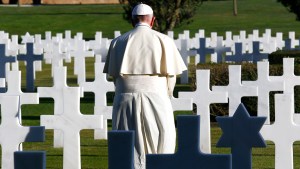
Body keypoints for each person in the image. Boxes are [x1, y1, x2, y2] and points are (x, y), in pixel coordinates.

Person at [103, 3, 187, 169]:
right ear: (153, 20)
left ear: (132, 20)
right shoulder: (164, 40)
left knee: (127, 141)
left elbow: (114, 77)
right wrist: (166, 93)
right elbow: (171, 77)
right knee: (162, 137)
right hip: (157, 98)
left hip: (124, 99)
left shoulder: (118, 42)